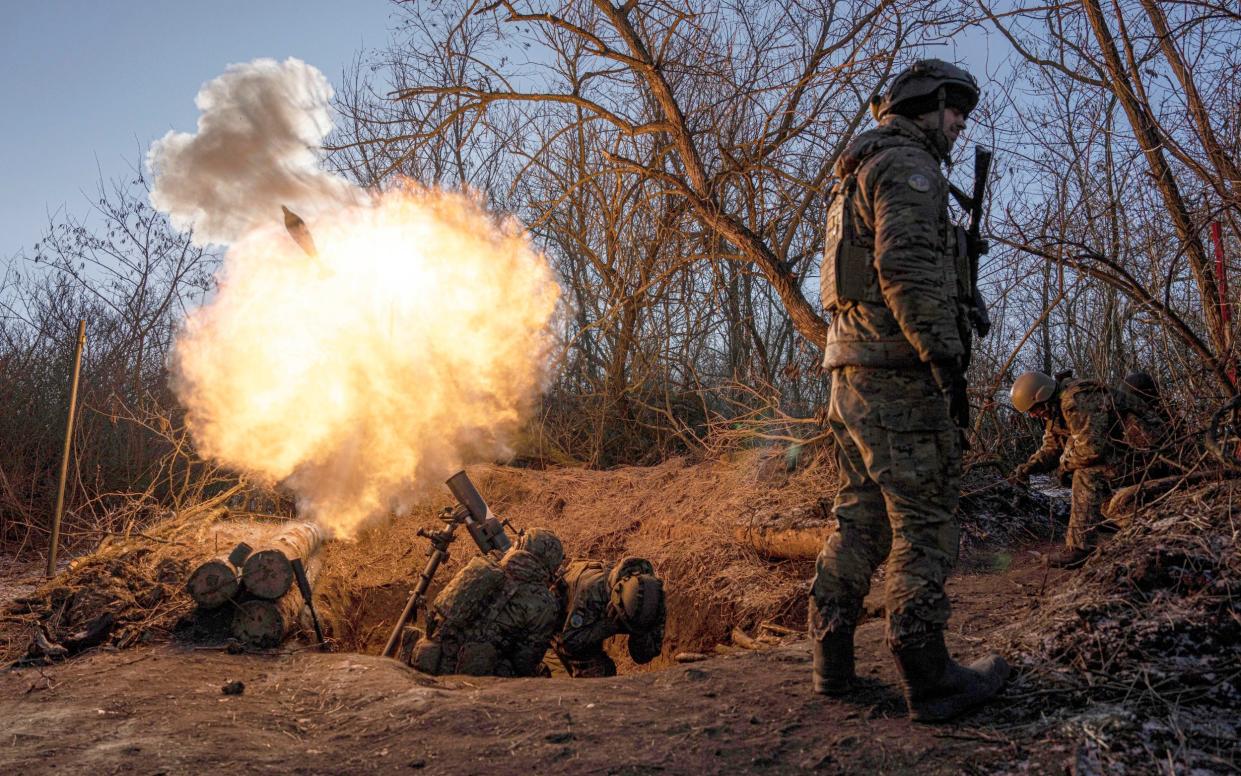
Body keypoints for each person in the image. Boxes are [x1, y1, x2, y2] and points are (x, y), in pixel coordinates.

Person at [810, 59, 1009, 722]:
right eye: (954, 110)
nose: (958, 124)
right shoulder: (908, 167)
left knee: (858, 518)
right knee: (923, 520)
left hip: (848, 370)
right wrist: (944, 361)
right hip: (896, 373)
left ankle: (830, 662)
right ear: (924, 103)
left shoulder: (856, 172)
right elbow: (904, 270)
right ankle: (928, 678)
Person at [1009, 371, 1130, 568]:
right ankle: (1114, 518)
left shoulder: (1075, 400)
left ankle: (1079, 549)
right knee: (1080, 470)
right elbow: (1052, 448)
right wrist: (1028, 468)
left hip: (1145, 451)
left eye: (1034, 409)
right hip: (1125, 449)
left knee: (1086, 474)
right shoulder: (1056, 409)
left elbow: (1092, 450)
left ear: (1043, 396)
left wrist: (1065, 466)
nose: (1032, 414)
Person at [409, 528, 563, 677]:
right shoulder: (545, 603)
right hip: (476, 681)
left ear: (520, 545)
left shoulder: (481, 566)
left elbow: (440, 613)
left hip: (429, 662)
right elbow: (525, 663)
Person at [552, 556, 665, 677]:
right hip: (559, 622)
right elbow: (569, 642)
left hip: (593, 622)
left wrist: (640, 633)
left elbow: (643, 656)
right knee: (598, 674)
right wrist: (607, 626)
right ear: (615, 602)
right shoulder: (591, 591)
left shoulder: (651, 600)